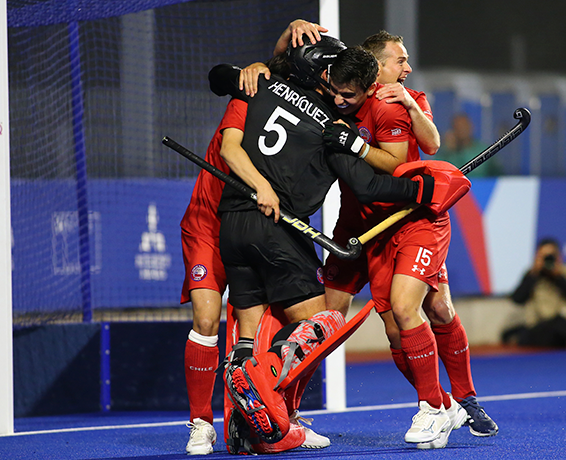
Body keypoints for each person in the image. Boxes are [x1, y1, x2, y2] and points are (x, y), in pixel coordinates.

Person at [208, 39, 440, 451]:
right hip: (276, 227)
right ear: (323, 75)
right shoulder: (332, 126)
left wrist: (252, 65)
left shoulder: (260, 83)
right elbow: (369, 187)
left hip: (232, 225)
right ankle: (268, 399)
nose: (338, 94)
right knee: (324, 321)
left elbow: (217, 77)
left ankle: (245, 430)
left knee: (248, 331)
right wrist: (421, 190)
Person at [321, 30, 499, 447]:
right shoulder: (344, 95)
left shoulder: (406, 99)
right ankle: (441, 403)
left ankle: (460, 400)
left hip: (413, 219)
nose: (408, 67)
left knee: (430, 307)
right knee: (396, 327)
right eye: (399, 60)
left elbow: (430, 145)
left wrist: (409, 108)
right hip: (370, 228)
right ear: (375, 65)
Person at [179, 50, 322, 455]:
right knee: (206, 319)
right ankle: (201, 424)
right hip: (207, 225)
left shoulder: (288, 123)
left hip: (249, 230)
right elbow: (218, 74)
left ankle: (274, 421)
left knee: (266, 332)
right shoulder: (249, 97)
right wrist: (252, 68)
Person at [434, 113, 501, 177]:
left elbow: (498, 174)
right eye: (458, 127)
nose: (462, 130)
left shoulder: (483, 150)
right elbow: (437, 170)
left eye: (464, 126)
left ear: (471, 127)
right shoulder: (447, 154)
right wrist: (447, 151)